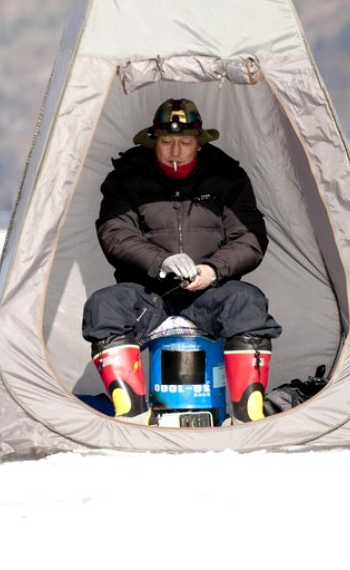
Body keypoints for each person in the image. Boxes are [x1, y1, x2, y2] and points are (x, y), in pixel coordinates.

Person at [82, 98, 282, 424]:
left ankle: (248, 417)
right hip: (150, 292)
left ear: (199, 144)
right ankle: (132, 416)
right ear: (153, 142)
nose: (175, 150)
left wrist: (213, 270)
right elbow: (114, 233)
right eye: (167, 142)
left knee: (248, 303)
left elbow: (250, 239)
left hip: (209, 291)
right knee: (104, 306)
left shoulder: (228, 178)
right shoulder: (126, 177)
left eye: (185, 142)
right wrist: (161, 262)